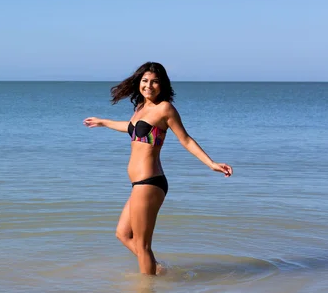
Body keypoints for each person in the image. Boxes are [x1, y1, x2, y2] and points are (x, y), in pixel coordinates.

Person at [83, 62, 233, 275]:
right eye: (145, 81)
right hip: (138, 184)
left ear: (162, 85)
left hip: (150, 182)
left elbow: (186, 139)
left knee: (143, 246)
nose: (149, 86)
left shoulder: (165, 109)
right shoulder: (140, 109)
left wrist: (211, 164)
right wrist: (103, 122)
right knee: (123, 234)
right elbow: (129, 127)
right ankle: (157, 272)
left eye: (154, 82)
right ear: (139, 83)